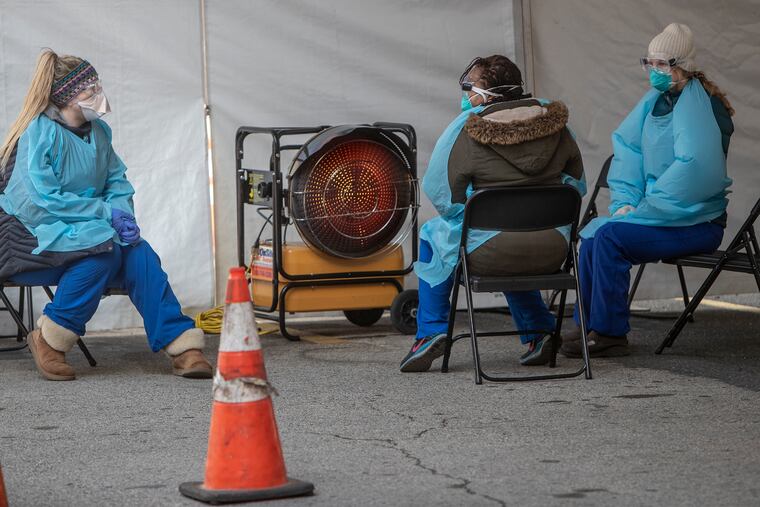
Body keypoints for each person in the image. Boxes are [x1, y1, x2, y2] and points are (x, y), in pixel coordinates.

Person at [0, 50, 213, 381]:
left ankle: (181, 344)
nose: (99, 95)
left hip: (86, 232)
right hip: (29, 236)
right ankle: (49, 339)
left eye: (98, 86)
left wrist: (122, 213)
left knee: (139, 254)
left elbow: (116, 180)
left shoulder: (98, 133)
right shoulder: (38, 134)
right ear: (68, 97)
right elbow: (39, 202)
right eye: (90, 90)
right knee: (102, 252)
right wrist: (103, 213)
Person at [400, 55, 585, 372]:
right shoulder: (556, 125)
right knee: (514, 230)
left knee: (434, 232)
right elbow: (576, 186)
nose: (465, 94)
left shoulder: (467, 127)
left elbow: (441, 191)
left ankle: (430, 331)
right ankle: (540, 331)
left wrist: (473, 213)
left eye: (469, 87)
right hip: (553, 248)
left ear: (488, 94)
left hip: (491, 251)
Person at [560, 23, 734, 358]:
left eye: (661, 64)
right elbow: (629, 149)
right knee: (594, 236)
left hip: (697, 222)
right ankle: (587, 325)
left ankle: (610, 333)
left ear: (681, 65)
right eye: (649, 62)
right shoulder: (659, 100)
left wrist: (649, 208)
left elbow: (696, 166)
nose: (653, 71)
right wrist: (626, 202)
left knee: (610, 239)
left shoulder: (705, 106)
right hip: (663, 214)